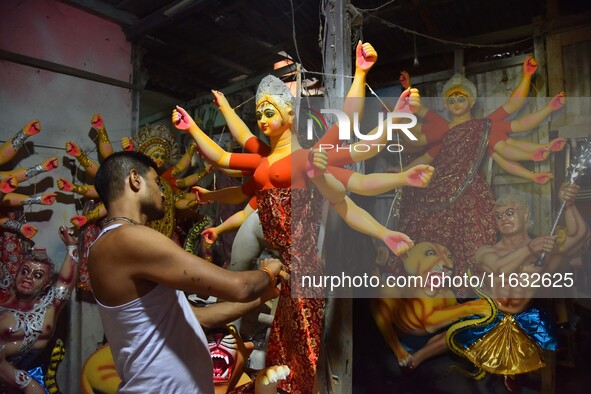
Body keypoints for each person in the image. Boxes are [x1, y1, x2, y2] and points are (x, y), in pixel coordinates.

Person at [87, 150, 284, 393]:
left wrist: (263, 296)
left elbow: (199, 317)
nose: (162, 192)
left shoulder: (117, 241)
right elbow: (239, 286)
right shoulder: (127, 239)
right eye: (156, 182)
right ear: (135, 179)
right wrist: (269, 271)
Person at [448, 182, 589, 381]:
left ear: (525, 216)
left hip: (528, 320)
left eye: (510, 213)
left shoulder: (544, 248)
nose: (503, 219)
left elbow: (578, 237)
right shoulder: (486, 252)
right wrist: (531, 248)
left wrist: (569, 204)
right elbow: (499, 267)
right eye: (498, 216)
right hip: (490, 320)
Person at [399, 57, 567, 184]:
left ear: (472, 102)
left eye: (461, 99)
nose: (456, 104)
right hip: (441, 188)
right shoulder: (443, 129)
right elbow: (421, 152)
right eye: (451, 100)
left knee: (495, 135)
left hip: (472, 189)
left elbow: (506, 150)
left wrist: (528, 79)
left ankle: (538, 151)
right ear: (445, 104)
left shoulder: (483, 126)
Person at [0, 226, 79, 393]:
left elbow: (66, 281)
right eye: (25, 271)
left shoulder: (50, 307)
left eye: (37, 275)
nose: (28, 277)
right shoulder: (2, 302)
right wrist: (27, 384)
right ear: (15, 275)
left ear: (46, 285)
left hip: (34, 376)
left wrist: (71, 246)